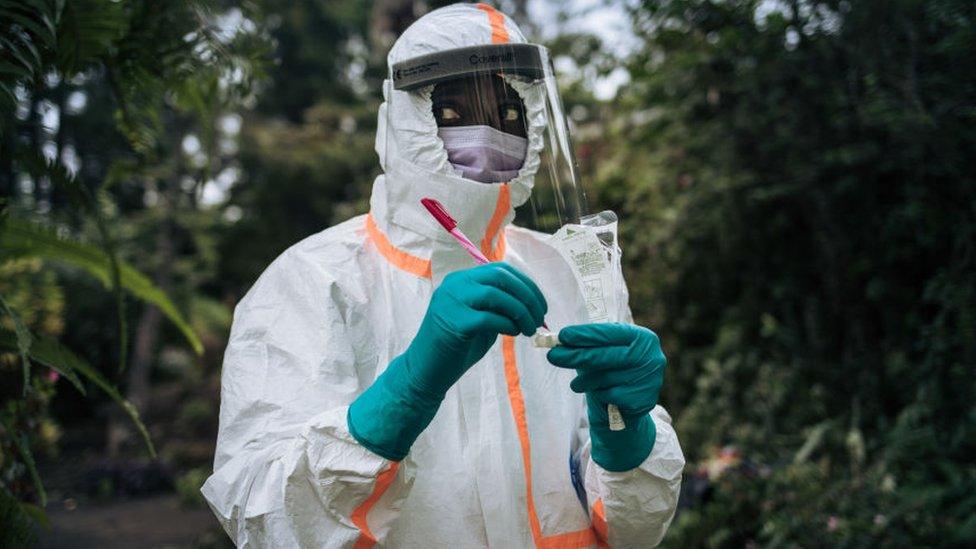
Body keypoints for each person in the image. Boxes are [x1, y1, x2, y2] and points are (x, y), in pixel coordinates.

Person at [202, 4, 684, 547]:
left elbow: (635, 531)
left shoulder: (568, 273)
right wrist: (407, 391)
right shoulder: (312, 280)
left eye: (507, 112)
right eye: (451, 112)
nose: (487, 135)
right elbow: (262, 515)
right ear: (402, 121)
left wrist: (627, 437)